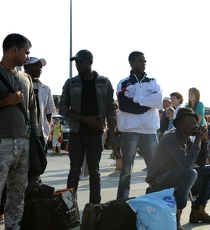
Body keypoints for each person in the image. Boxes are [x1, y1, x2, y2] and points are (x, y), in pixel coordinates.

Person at [146, 107, 210, 230]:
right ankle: (175, 216)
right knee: (190, 172)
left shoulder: (186, 139)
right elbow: (186, 164)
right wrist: (197, 140)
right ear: (181, 125)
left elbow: (200, 163)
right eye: (192, 124)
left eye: (196, 124)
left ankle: (198, 211)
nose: (195, 127)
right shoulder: (170, 139)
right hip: (158, 180)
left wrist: (203, 140)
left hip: (177, 175)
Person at [59, 49, 116, 204]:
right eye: (76, 62)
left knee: (95, 173)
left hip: (96, 134)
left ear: (90, 62)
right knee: (74, 172)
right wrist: (86, 119)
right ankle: (69, 208)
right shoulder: (71, 83)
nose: (78, 65)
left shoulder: (104, 82)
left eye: (81, 61)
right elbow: (62, 108)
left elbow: (111, 110)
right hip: (76, 134)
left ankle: (95, 208)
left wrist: (112, 135)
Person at [0, 33, 33, 230]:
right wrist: (6, 101)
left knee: (17, 191)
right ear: (14, 50)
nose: (28, 57)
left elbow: (31, 110)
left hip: (23, 142)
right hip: (1, 141)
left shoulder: (26, 78)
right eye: (26, 52)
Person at [116, 51, 162, 199]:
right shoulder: (123, 83)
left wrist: (136, 99)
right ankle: (122, 201)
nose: (144, 63)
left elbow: (158, 101)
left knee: (155, 169)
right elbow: (124, 105)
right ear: (132, 62)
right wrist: (147, 102)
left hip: (149, 132)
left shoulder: (153, 82)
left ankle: (157, 199)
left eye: (145, 61)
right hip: (130, 131)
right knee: (126, 171)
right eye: (140, 61)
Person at [23, 57, 55, 152]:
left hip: (40, 136)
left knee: (39, 165)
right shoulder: (18, 84)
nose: (39, 69)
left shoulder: (45, 89)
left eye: (40, 67)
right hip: (23, 134)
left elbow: (49, 112)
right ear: (26, 67)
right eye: (36, 66)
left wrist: (47, 130)